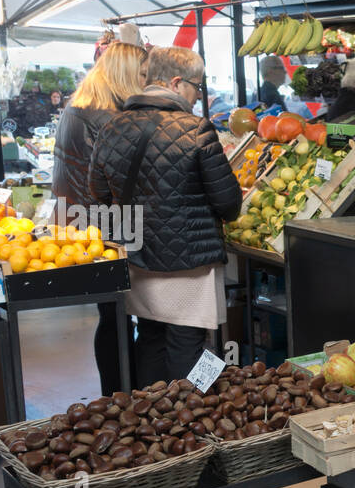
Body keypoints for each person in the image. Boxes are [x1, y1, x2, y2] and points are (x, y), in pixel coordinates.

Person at [88, 46, 242, 386]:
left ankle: (152, 425)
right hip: (190, 262)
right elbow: (228, 204)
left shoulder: (111, 127)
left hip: (138, 258)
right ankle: (191, 427)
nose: (197, 95)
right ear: (176, 82)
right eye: (196, 87)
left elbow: (97, 195)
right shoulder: (196, 129)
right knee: (189, 345)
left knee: (151, 340)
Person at [52, 41, 148, 396]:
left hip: (79, 220)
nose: (144, 80)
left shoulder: (79, 106)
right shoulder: (106, 116)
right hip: (106, 223)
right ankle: (125, 393)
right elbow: (121, 178)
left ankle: (115, 392)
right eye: (141, 74)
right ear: (125, 74)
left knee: (112, 315)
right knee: (123, 316)